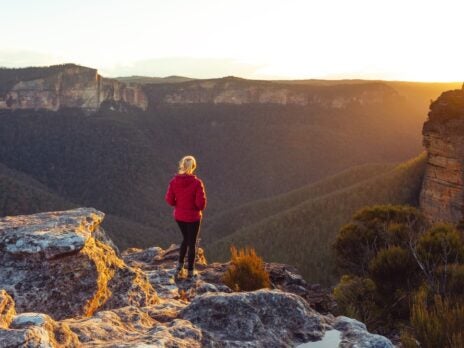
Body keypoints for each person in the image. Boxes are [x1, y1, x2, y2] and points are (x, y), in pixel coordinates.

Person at [165, 155, 207, 279]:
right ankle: (190, 271)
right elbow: (201, 204)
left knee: (185, 239)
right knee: (192, 243)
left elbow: (169, 200)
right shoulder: (197, 183)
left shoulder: (174, 182)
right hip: (193, 217)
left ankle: (179, 266)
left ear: (182, 166)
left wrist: (179, 204)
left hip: (179, 216)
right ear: (193, 167)